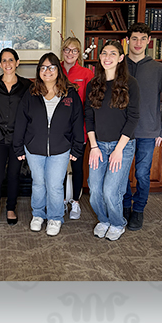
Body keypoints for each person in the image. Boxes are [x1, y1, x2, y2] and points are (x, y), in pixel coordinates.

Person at [13, 53, 84, 236]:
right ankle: (38, 214)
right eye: (43, 67)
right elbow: (21, 121)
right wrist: (19, 146)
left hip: (60, 148)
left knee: (54, 185)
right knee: (38, 183)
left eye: (51, 67)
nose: (47, 71)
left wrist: (77, 147)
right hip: (34, 148)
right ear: (39, 71)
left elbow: (77, 122)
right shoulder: (31, 93)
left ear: (58, 70)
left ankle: (55, 217)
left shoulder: (71, 93)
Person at [123, 23, 162, 230]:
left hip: (148, 132)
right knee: (121, 174)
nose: (138, 43)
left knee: (142, 174)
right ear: (127, 40)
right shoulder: (119, 66)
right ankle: (125, 205)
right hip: (122, 133)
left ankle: (138, 210)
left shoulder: (158, 69)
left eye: (142, 39)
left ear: (148, 41)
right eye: (134, 38)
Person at [85, 40, 140, 241]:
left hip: (122, 147)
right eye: (104, 53)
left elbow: (133, 118)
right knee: (94, 190)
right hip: (98, 145)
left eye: (113, 53)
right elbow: (88, 117)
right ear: (100, 57)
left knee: (111, 191)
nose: (107, 57)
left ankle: (118, 223)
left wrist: (118, 149)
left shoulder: (130, 83)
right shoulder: (93, 84)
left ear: (120, 58)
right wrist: (93, 146)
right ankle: (104, 220)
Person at [0, 48, 32, 231]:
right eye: (4, 60)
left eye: (11, 60)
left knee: (13, 176)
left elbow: (30, 113)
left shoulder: (27, 86)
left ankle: (11, 209)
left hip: (19, 139)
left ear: (17, 63)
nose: (8, 63)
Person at [60, 37, 94, 220]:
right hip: (58, 129)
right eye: (67, 49)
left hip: (78, 128)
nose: (70, 53)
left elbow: (90, 104)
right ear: (62, 51)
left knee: (76, 165)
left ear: (79, 53)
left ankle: (75, 201)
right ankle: (63, 200)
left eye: (74, 50)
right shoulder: (55, 70)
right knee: (60, 167)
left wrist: (87, 130)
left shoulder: (86, 73)